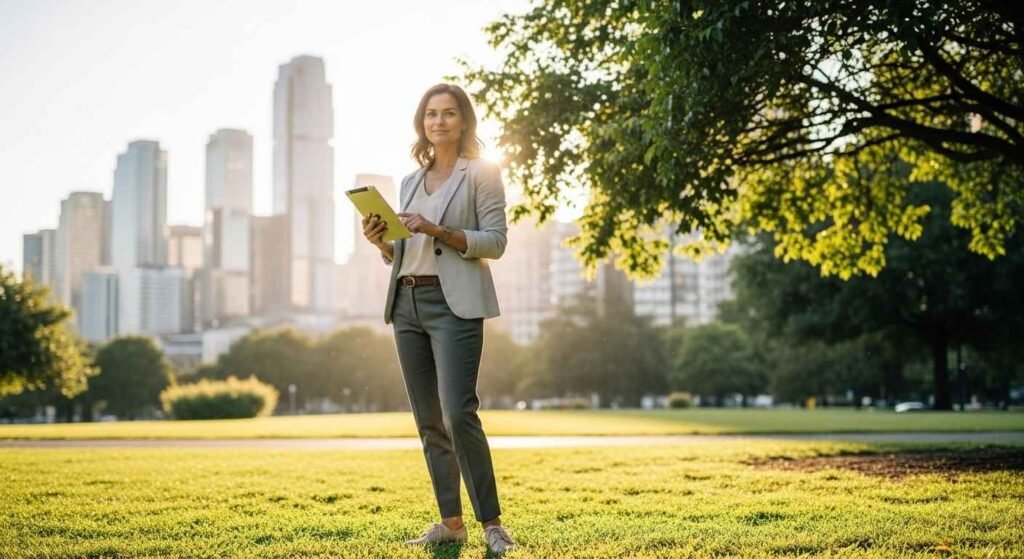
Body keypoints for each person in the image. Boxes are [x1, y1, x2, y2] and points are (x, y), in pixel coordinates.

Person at [360, 83, 516, 554]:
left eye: (449, 114)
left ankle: (492, 525)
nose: (439, 121)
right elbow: (404, 250)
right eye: (431, 114)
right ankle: (452, 523)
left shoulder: (482, 174)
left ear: (464, 121)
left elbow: (495, 241)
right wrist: (382, 243)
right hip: (406, 303)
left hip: (455, 306)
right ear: (421, 122)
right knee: (429, 420)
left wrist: (438, 229)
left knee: (458, 413)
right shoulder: (409, 181)